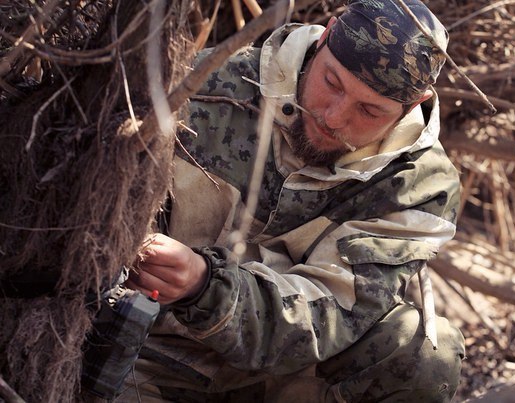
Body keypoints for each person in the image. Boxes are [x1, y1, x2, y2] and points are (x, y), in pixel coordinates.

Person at [121, 0, 465, 401]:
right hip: (145, 347)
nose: (334, 117)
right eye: (332, 83)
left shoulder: (419, 186)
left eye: (369, 110)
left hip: (281, 374)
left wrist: (204, 286)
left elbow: (332, 318)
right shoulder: (209, 85)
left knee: (423, 353)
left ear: (416, 104)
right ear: (326, 35)